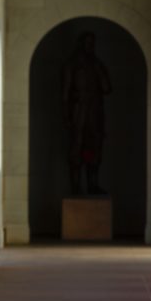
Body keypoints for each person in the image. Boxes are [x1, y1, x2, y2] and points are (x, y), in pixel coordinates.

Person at [62, 32, 111, 195]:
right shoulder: (72, 65)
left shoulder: (97, 64)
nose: (90, 47)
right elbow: (65, 92)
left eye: (92, 43)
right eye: (87, 43)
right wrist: (67, 115)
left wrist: (97, 68)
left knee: (94, 147)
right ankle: (75, 186)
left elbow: (107, 88)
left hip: (94, 112)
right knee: (76, 148)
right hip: (79, 111)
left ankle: (92, 184)